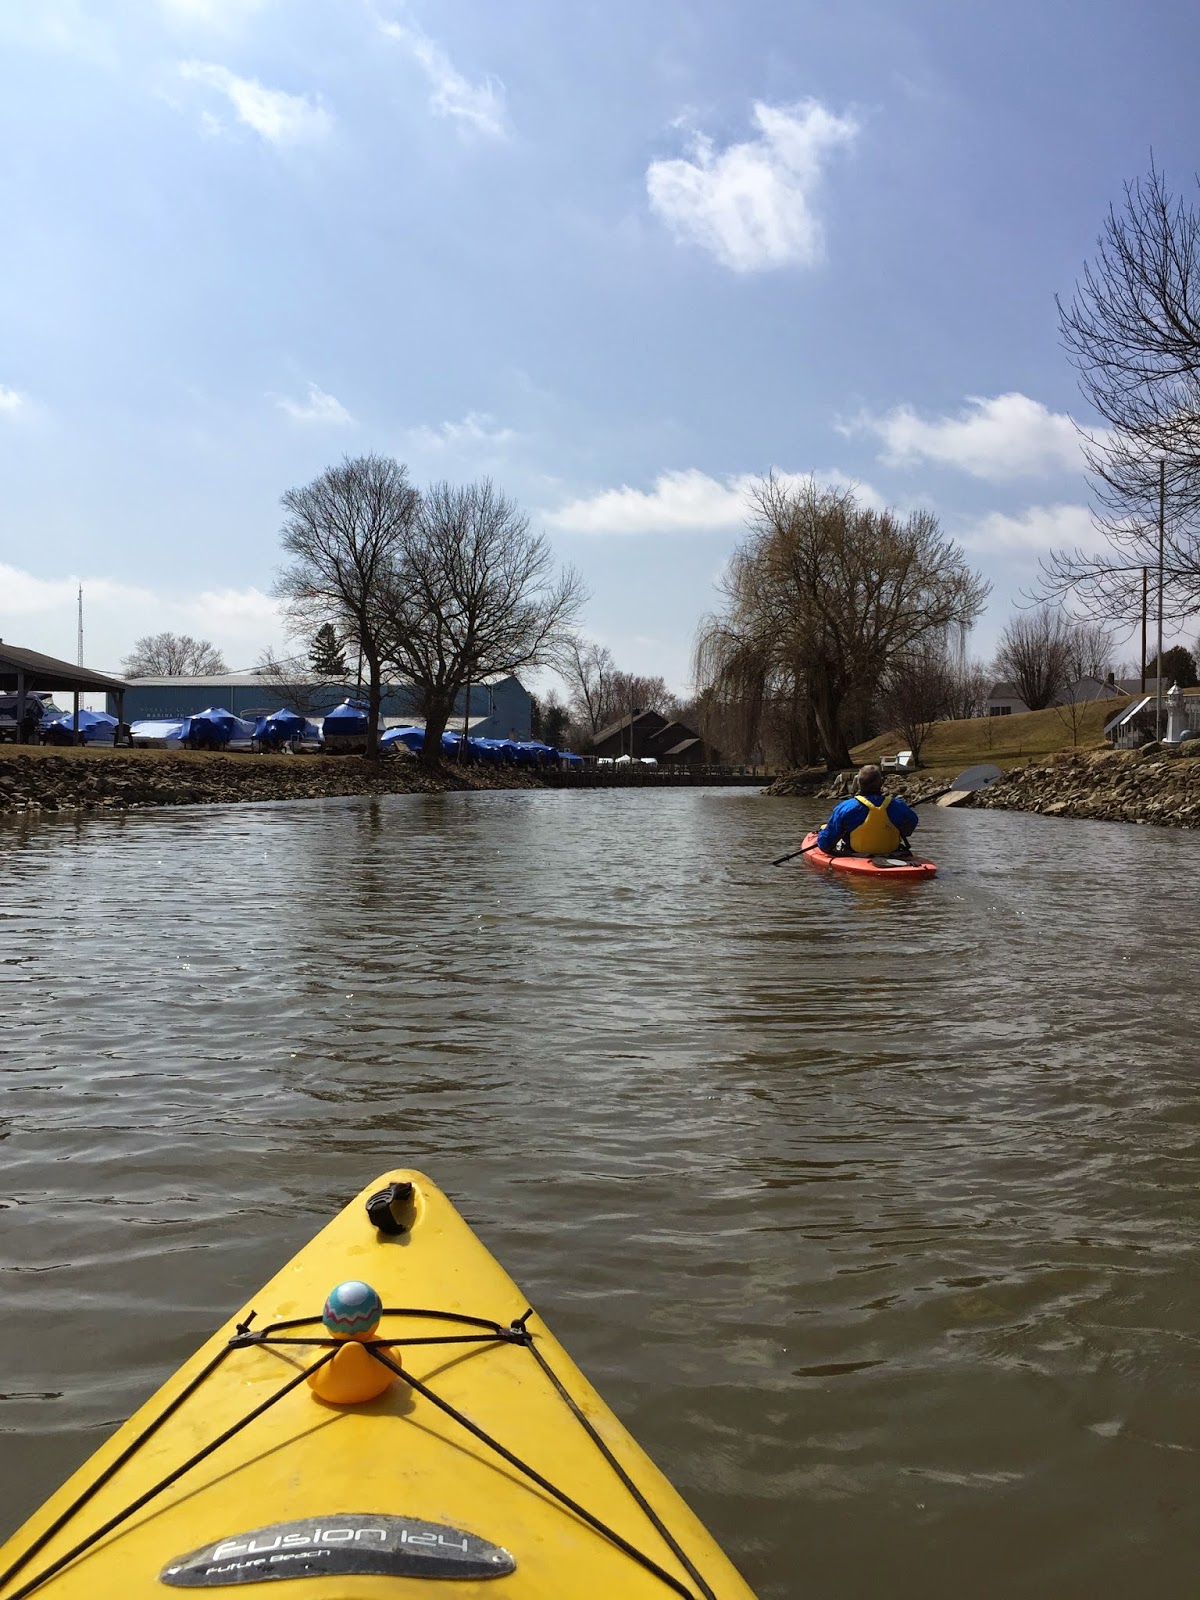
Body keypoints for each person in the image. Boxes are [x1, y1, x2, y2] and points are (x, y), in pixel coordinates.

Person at [816, 764, 918, 856]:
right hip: (892, 854)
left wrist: (822, 835)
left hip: (855, 855)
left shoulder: (845, 807)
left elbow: (825, 843)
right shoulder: (899, 805)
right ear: (881, 783)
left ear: (859, 783)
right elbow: (911, 824)